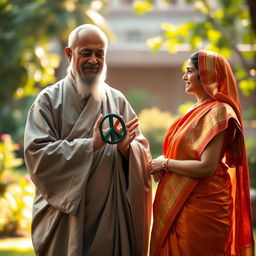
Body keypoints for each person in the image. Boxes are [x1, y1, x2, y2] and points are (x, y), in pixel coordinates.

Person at [24, 24, 152, 256]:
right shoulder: (48, 101)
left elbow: (141, 151)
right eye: (86, 53)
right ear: (69, 53)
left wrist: (127, 150)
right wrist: (90, 145)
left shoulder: (118, 100)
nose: (94, 60)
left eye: (99, 54)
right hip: (66, 219)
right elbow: (37, 155)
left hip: (110, 219)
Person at [149, 50, 254, 256]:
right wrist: (164, 160)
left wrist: (165, 164)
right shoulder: (193, 110)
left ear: (206, 75)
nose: (184, 77)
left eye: (189, 71)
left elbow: (206, 167)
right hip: (182, 203)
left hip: (203, 207)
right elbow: (184, 155)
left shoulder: (220, 111)